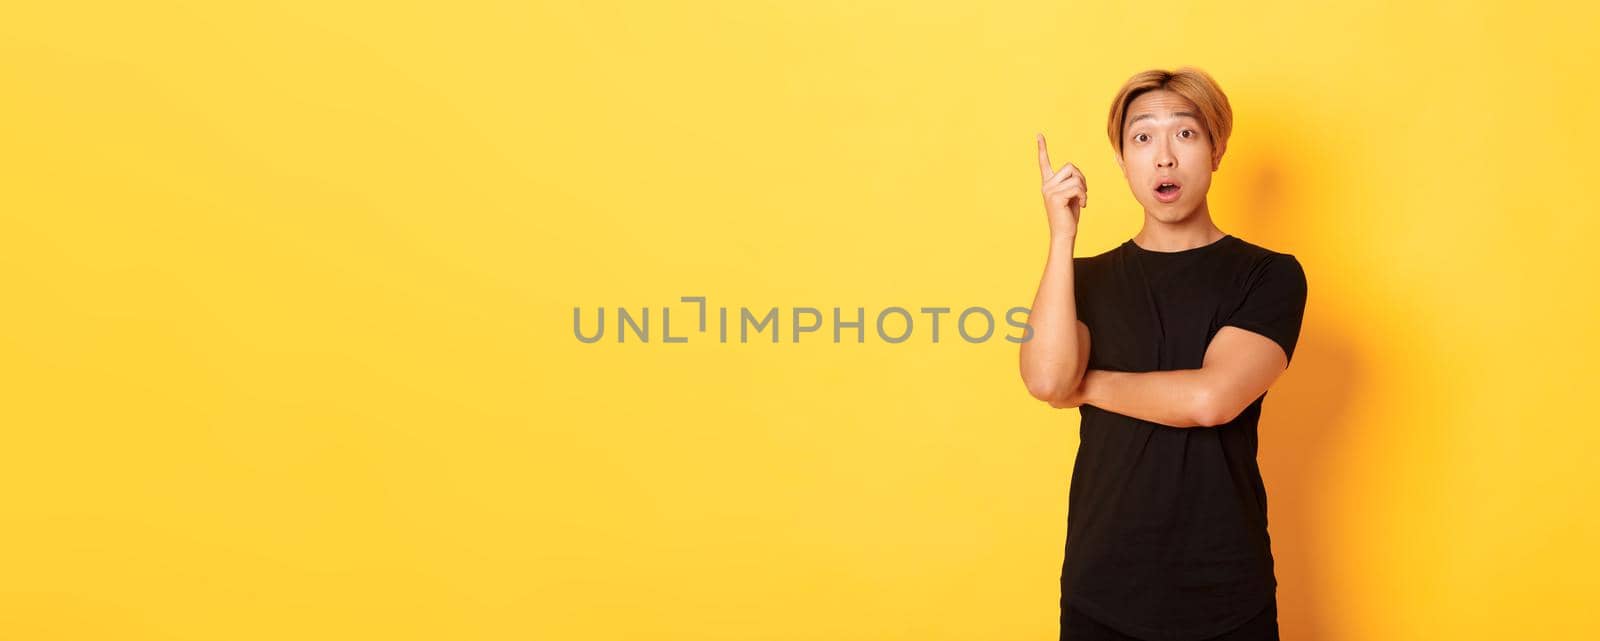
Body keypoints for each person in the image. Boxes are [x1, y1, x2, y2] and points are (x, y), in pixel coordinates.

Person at [1019, 67, 1308, 641]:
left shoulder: (1268, 275)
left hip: (1226, 592)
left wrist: (1089, 384)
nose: (1164, 157)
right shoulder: (1083, 279)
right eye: (1142, 137)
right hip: (1101, 589)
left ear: (1217, 150)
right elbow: (1048, 380)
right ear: (1122, 160)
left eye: (1185, 134)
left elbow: (1210, 399)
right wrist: (1060, 238)